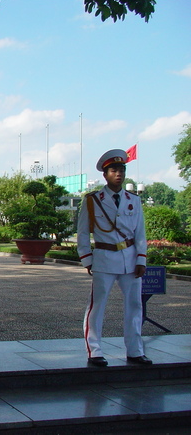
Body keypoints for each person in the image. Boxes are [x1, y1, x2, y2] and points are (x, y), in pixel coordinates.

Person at [77, 149, 152, 367]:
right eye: (113, 170)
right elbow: (82, 232)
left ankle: (135, 350)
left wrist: (141, 259)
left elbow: (140, 233)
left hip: (130, 259)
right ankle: (95, 350)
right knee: (97, 306)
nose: (118, 173)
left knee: (135, 305)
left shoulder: (133, 200)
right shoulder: (92, 200)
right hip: (104, 258)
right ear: (105, 174)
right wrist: (87, 259)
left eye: (121, 170)